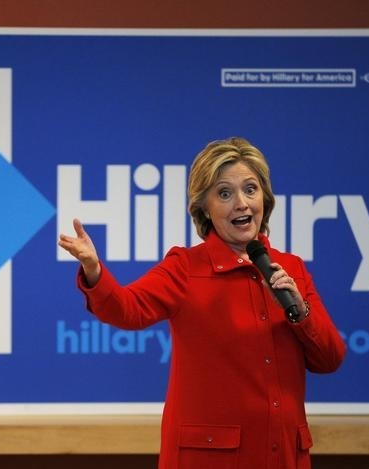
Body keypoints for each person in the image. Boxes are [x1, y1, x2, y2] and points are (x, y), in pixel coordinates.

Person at [58, 137, 345, 469]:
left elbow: (330, 358)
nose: (241, 203)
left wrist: (300, 311)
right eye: (224, 193)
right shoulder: (185, 267)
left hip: (283, 456)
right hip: (210, 458)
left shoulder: (290, 268)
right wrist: (94, 270)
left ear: (264, 198)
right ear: (205, 208)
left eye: (250, 189)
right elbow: (126, 308)